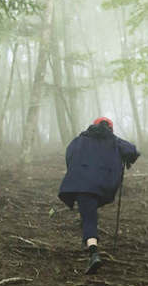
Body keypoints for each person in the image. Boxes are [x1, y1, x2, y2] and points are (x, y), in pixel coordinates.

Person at [58, 117, 140, 273]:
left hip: (83, 185)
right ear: (110, 128)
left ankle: (93, 252)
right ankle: (91, 242)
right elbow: (133, 151)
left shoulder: (80, 139)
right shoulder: (114, 140)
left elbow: (69, 155)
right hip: (102, 186)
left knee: (89, 217)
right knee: (90, 214)